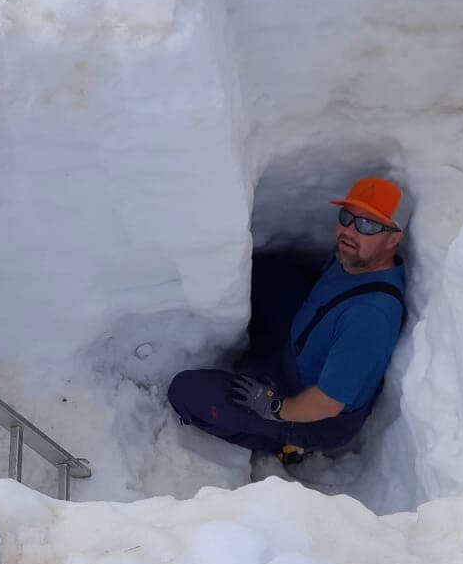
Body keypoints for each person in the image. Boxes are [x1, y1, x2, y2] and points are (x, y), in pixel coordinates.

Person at [168, 177, 409, 466]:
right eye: (347, 217)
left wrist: (276, 407)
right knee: (268, 271)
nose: (349, 231)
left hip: (311, 414)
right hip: (300, 351)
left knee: (186, 392)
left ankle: (283, 443)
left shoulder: (369, 318)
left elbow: (328, 403)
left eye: (368, 225)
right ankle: (265, 363)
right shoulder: (355, 259)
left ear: (393, 238)